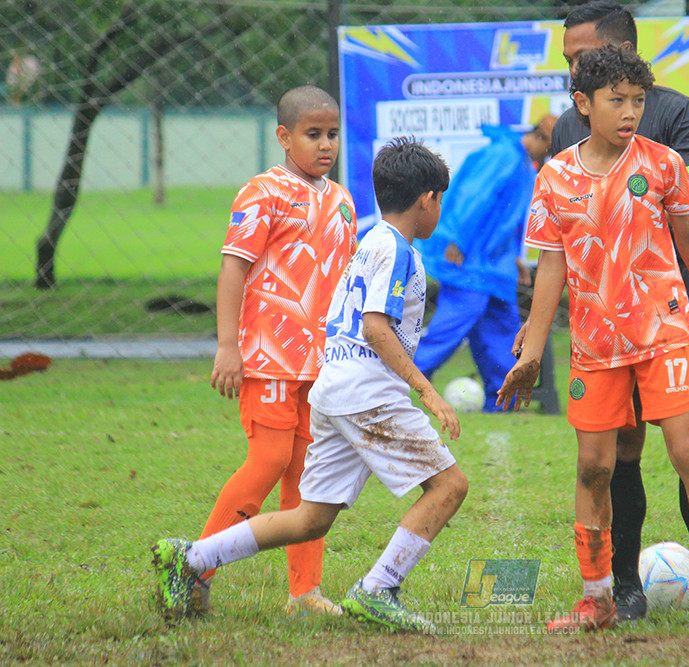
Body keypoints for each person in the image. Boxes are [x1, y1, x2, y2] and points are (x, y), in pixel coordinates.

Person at [152, 138, 468, 632]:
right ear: (427, 199)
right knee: (449, 485)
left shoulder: (370, 241)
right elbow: (376, 327)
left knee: (310, 519)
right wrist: (426, 390)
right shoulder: (398, 251)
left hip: (333, 388)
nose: (439, 210)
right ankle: (378, 588)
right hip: (367, 393)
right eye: (440, 200)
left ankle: (190, 557)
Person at [498, 45, 689, 636]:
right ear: (583, 104)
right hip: (595, 347)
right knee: (593, 468)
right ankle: (597, 599)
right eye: (617, 100)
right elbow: (550, 269)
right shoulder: (554, 177)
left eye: (638, 100)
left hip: (665, 332)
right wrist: (533, 350)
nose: (630, 111)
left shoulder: (662, 164)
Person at [547, 0, 689, 625]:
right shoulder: (568, 134)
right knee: (611, 456)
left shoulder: (672, 117)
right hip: (600, 330)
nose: (572, 72)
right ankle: (620, 589)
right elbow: (559, 238)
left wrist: (655, 192)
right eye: (573, 69)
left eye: (579, 58)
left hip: (673, 311)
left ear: (617, 49)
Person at [190, 85, 357, 616]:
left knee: (309, 478)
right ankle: (193, 567)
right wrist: (227, 346)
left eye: (332, 134)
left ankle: (304, 593)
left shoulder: (342, 200)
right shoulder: (261, 193)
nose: (325, 144)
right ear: (285, 137)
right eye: (313, 134)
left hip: (321, 365)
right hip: (268, 360)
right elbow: (233, 268)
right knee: (268, 459)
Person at [414, 117, 556, 411]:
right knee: (450, 328)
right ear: (541, 139)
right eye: (551, 151)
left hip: (494, 266)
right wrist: (458, 241)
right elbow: (474, 197)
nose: (549, 158)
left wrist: (514, 258)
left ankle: (504, 399)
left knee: (502, 331)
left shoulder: (522, 162)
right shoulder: (503, 155)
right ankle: (405, 381)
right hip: (471, 262)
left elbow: (507, 218)